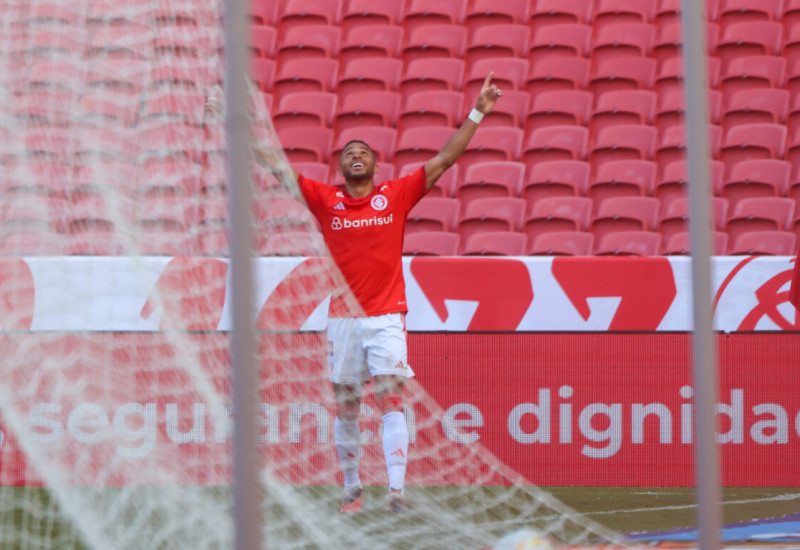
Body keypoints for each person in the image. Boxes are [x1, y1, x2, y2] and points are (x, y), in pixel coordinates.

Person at [208, 73, 503, 513]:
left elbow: (444, 159)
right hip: (342, 320)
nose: (356, 155)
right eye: (349, 153)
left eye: (364, 152)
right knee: (346, 406)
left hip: (386, 317)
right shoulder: (326, 200)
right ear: (341, 169)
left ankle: (397, 491)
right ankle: (352, 487)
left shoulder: (396, 195)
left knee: (391, 397)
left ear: (376, 166)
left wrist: (479, 110)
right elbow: (273, 163)